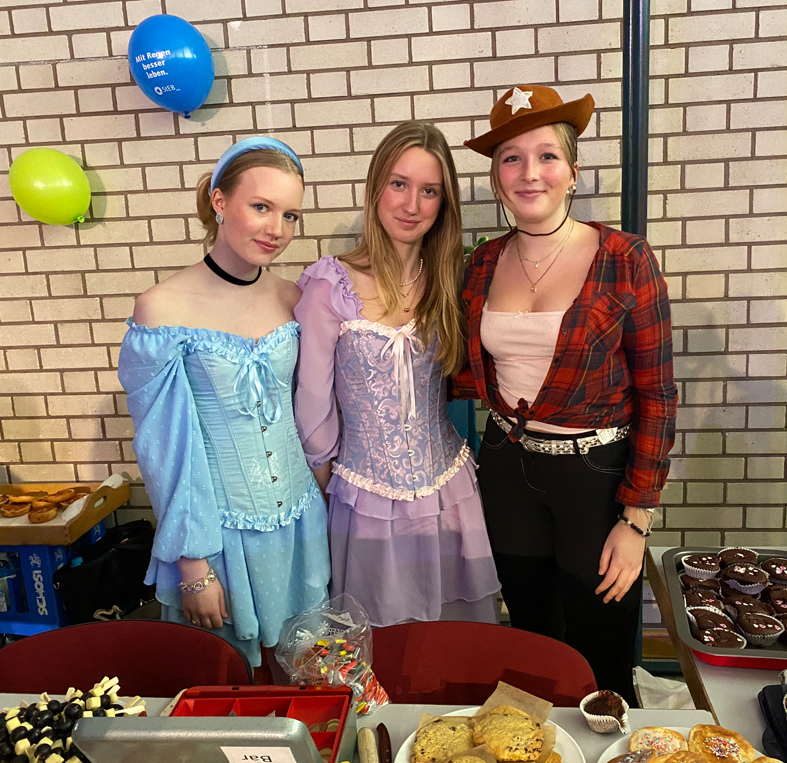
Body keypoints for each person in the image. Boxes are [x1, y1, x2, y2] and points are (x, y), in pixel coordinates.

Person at [455, 85, 678, 703]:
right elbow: (459, 368)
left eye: (547, 156)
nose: (530, 172)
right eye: (511, 158)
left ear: (573, 172)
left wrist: (636, 518)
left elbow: (658, 394)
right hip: (507, 469)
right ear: (497, 177)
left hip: (596, 479)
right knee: (532, 637)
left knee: (601, 643)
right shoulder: (483, 263)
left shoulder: (624, 258)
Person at [117, 137, 330, 668]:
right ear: (219, 201)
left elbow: (314, 408)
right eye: (261, 206)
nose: (277, 229)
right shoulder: (160, 309)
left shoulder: (293, 297)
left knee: (309, 674)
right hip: (217, 537)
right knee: (230, 682)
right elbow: (164, 449)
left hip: (301, 523)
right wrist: (194, 564)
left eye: (290, 215)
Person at [294, 121, 500, 627]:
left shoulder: (449, 279)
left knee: (458, 645)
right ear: (376, 188)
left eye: (429, 191)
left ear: (443, 203)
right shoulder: (329, 285)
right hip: (365, 500)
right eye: (399, 184)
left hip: (450, 492)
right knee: (380, 645)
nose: (412, 205)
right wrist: (331, 500)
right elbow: (313, 409)